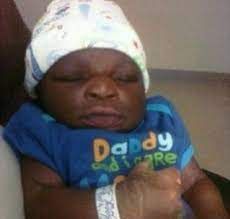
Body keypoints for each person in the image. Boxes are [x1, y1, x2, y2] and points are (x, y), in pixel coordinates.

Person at [3, 0, 229, 218]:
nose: (102, 88)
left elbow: (196, 182)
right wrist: (123, 204)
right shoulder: (44, 133)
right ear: (39, 91)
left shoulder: (161, 119)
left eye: (124, 77)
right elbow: (39, 203)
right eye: (72, 77)